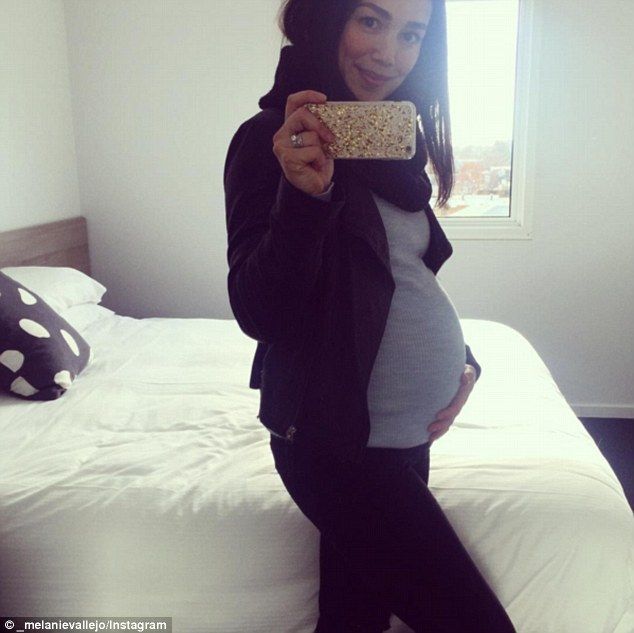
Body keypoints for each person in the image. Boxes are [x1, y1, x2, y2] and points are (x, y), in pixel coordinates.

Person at [224, 1, 518, 631]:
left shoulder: (390, 147)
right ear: (326, 18)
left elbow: (407, 280)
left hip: (408, 434)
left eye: (412, 34)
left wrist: (462, 363)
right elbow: (259, 310)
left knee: (354, 620)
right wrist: (303, 197)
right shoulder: (270, 141)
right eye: (372, 21)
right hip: (338, 443)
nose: (390, 53)